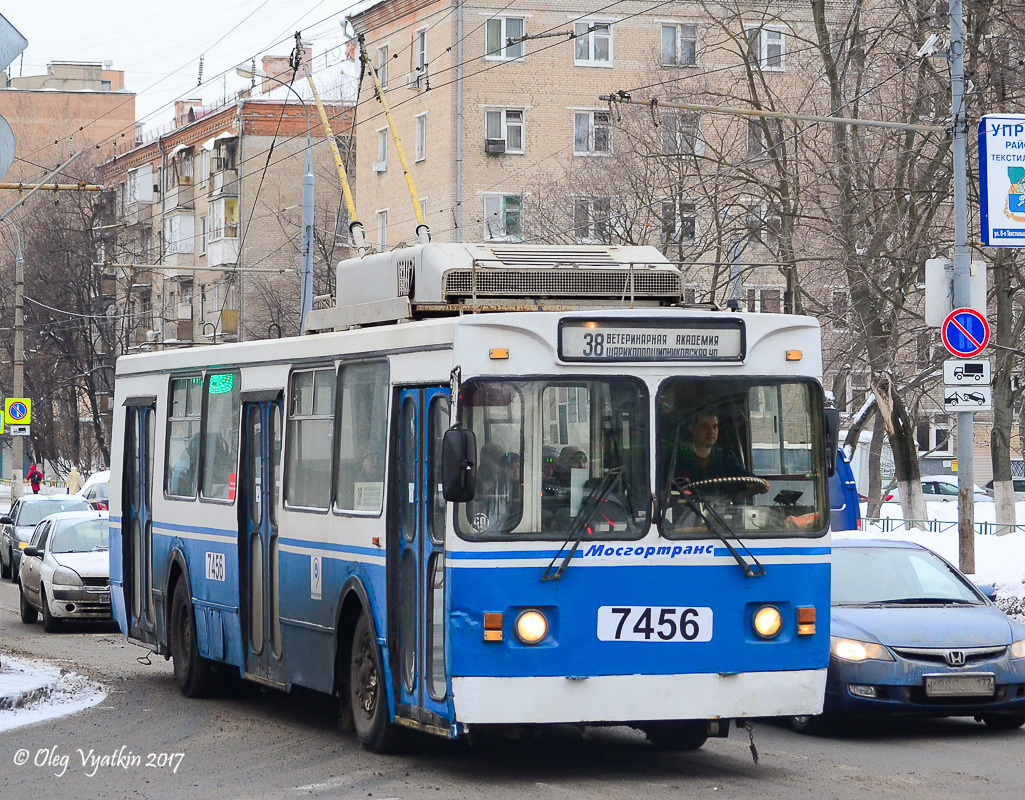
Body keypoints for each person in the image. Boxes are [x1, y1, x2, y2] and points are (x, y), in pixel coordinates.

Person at [672, 414, 768, 495]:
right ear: (692, 429)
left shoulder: (726, 458)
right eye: (705, 426)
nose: (711, 431)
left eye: (715, 427)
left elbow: (741, 475)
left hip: (718, 514)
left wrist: (757, 482)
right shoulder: (677, 459)